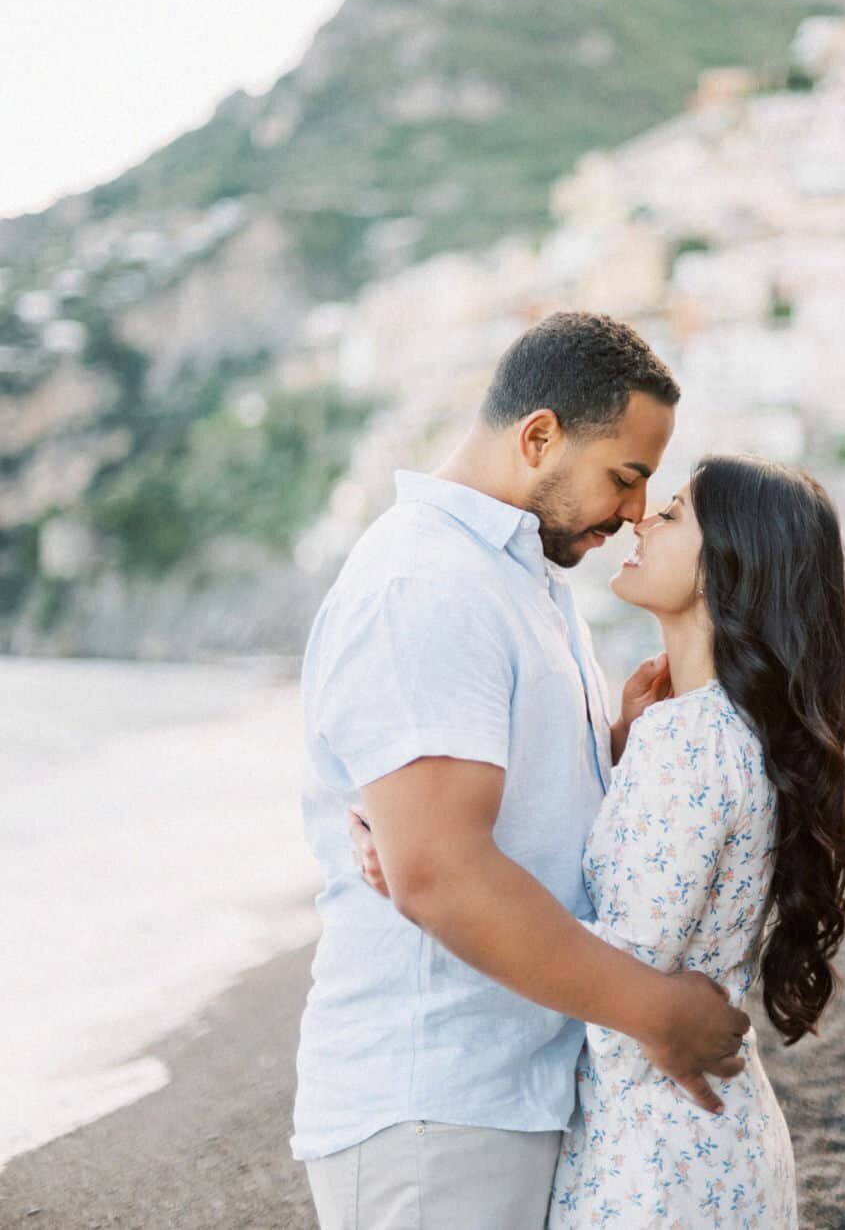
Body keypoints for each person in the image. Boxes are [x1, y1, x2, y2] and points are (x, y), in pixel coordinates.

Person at [292, 312, 752, 1230]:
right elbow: (440, 876)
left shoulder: (518, 577)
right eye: (625, 477)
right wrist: (657, 1011)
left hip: (514, 1083)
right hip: (435, 1101)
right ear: (538, 436)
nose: (632, 511)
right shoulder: (428, 582)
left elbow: (489, 834)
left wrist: (615, 748)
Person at [355, 455, 845, 1228]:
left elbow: (626, 986)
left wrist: (431, 874)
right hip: (707, 1141)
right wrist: (620, 751)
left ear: (727, 563)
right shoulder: (720, 732)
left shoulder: (689, 743)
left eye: (674, 514)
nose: (641, 519)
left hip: (655, 1159)